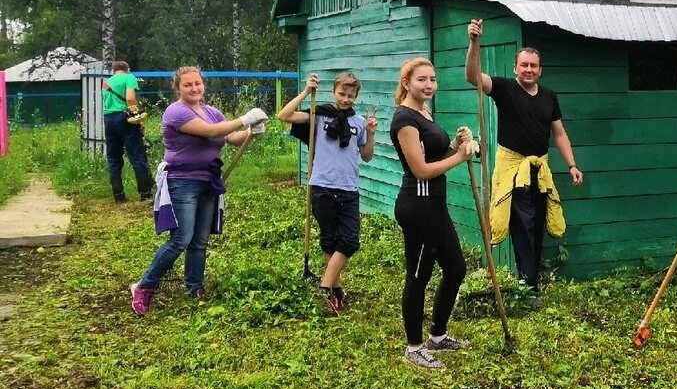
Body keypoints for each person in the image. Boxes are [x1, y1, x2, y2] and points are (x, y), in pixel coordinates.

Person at [129, 67, 267, 315]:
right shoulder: (176, 112)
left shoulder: (212, 112)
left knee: (200, 240)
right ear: (178, 88)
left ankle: (194, 287)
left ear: (203, 85)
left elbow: (228, 136)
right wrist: (245, 118)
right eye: (187, 85)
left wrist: (250, 132)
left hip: (208, 179)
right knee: (181, 238)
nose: (194, 88)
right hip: (183, 181)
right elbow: (212, 132)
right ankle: (144, 286)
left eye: (197, 83)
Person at [465, 19, 583, 306]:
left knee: (536, 224)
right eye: (524, 65)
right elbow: (472, 77)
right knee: (523, 224)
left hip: (538, 170)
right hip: (513, 170)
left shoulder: (549, 97)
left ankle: (529, 282)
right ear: (515, 68)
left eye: (533, 66)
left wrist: (571, 164)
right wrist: (473, 43)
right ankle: (529, 288)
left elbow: (559, 133)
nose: (529, 70)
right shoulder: (505, 89)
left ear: (539, 70)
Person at [391, 57, 480, 370]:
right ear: (406, 83)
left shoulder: (424, 113)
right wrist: (460, 156)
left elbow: (434, 154)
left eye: (432, 79)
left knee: (456, 269)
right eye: (421, 80)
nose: (428, 85)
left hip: (435, 206)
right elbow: (421, 170)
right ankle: (414, 347)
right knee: (418, 277)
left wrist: (455, 143)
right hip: (418, 206)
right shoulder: (404, 120)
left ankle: (437, 338)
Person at [277, 71, 377, 315]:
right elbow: (283, 115)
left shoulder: (359, 123)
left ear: (356, 96)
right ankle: (336, 289)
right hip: (322, 186)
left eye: (350, 95)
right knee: (329, 240)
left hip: (349, 188)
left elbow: (366, 155)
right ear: (333, 92)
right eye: (341, 94)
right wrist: (306, 92)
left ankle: (324, 286)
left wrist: (372, 133)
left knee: (350, 240)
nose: (345, 99)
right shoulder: (319, 116)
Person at [101, 60, 153, 203]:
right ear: (127, 69)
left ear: (113, 71)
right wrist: (138, 119)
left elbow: (107, 101)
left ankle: (119, 196)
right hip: (124, 118)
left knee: (113, 158)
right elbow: (130, 98)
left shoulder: (106, 83)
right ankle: (145, 194)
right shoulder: (129, 77)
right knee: (137, 155)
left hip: (108, 119)